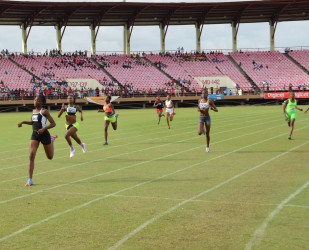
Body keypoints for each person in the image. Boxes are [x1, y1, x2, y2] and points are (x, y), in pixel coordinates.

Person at [18, 95, 57, 186]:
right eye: (35, 100)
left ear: (42, 102)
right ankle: (30, 180)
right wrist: (23, 122)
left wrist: (43, 129)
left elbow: (53, 123)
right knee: (31, 155)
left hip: (44, 134)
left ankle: (51, 140)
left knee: (50, 157)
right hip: (35, 134)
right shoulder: (33, 111)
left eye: (38, 100)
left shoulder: (44, 111)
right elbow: (33, 123)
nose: (36, 101)